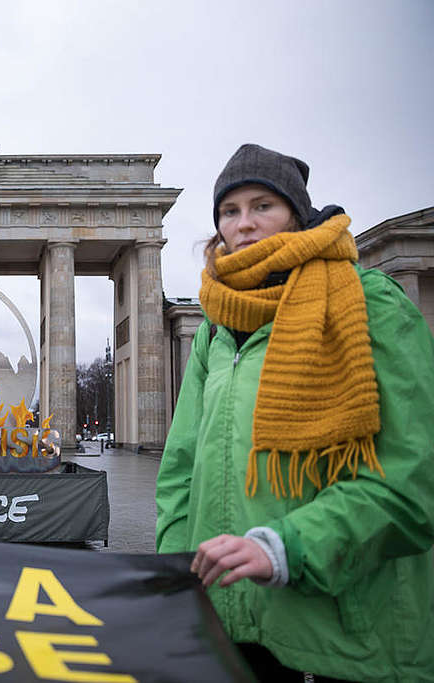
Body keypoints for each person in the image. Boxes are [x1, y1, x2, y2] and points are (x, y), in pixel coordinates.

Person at [156, 144, 434, 681]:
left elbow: (413, 476)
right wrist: (172, 572)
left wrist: (289, 548)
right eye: (230, 211)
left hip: (347, 632)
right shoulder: (216, 327)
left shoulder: (368, 302)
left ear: (297, 214)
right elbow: (181, 470)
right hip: (232, 624)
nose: (245, 225)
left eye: (264, 206)